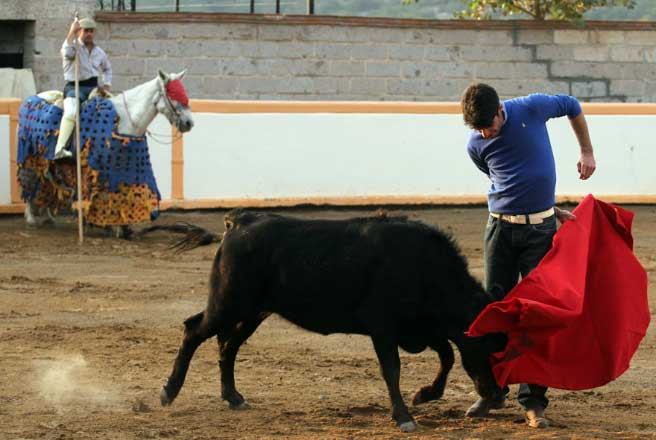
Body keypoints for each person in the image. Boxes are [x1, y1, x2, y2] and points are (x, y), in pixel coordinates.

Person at [460, 83, 596, 428]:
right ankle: (494, 390)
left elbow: (572, 104)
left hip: (539, 233)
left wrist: (587, 151)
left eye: (487, 126)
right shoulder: (476, 144)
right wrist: (544, 205)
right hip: (499, 230)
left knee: (536, 314)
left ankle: (534, 400)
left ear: (501, 111)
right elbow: (504, 181)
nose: (484, 134)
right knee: (496, 308)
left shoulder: (533, 108)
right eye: (477, 130)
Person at [53, 17, 112, 160]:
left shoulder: (99, 52)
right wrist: (70, 32)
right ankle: (60, 148)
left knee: (113, 106)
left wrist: (107, 84)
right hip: (75, 87)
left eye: (91, 31)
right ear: (79, 31)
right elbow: (66, 53)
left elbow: (107, 69)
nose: (89, 34)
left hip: (93, 88)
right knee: (72, 111)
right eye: (86, 31)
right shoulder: (73, 47)